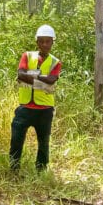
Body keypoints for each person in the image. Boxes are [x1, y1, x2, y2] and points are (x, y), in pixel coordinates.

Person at [9, 24, 62, 172]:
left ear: (52, 42)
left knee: (43, 143)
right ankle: (13, 169)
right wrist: (42, 79)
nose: (45, 44)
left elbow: (52, 80)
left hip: (45, 110)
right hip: (25, 107)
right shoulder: (27, 55)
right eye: (41, 41)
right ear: (37, 42)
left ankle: (41, 171)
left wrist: (30, 76)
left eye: (48, 41)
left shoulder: (55, 62)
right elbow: (20, 74)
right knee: (16, 141)